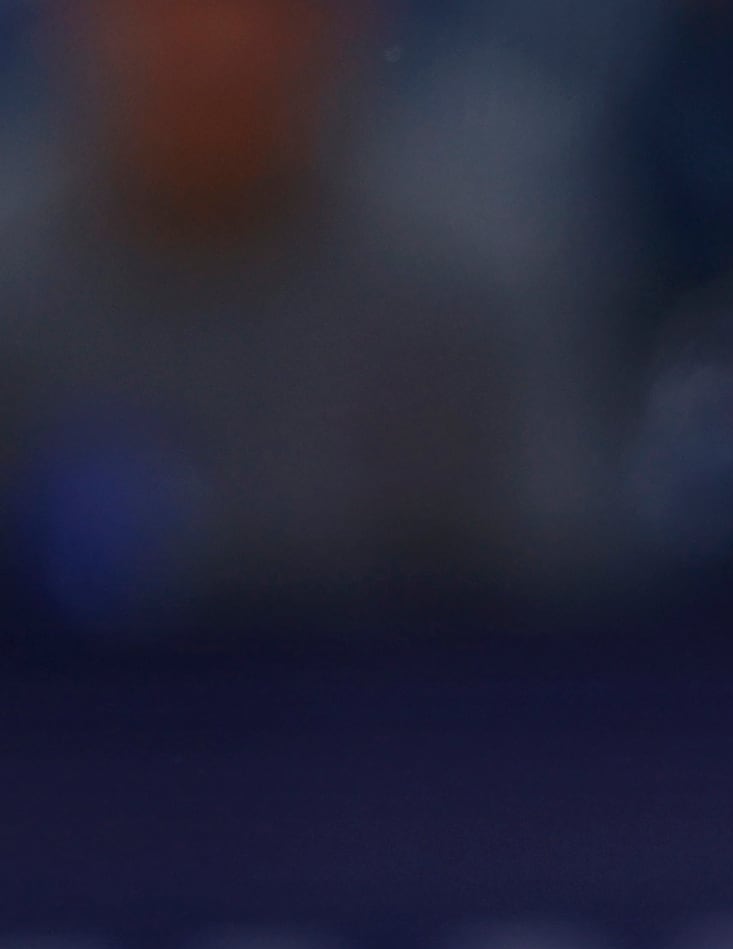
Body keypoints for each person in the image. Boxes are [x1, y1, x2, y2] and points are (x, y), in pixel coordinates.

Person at [0, 0, 592, 618]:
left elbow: (555, 621)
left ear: (354, 24)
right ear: (66, 22)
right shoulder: (12, 297)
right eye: (168, 12)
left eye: (274, 12)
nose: (220, 47)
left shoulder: (468, 295)